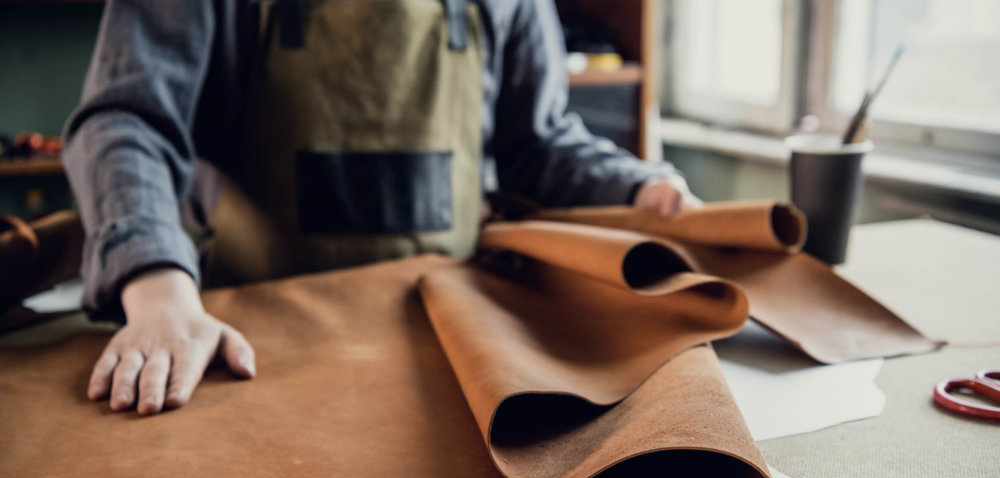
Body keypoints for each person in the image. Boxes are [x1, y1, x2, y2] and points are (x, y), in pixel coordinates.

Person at [63, 0, 700, 416]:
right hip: (252, 356)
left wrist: (641, 190)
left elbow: (538, 141)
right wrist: (157, 291)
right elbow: (129, 121)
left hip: (454, 349)